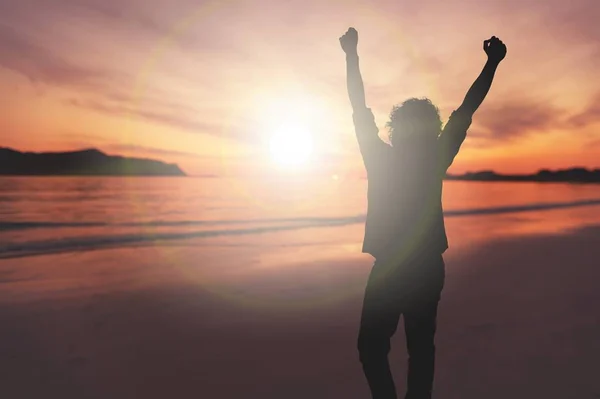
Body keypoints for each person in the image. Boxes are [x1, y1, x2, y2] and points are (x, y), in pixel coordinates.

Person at [339, 27, 506, 399]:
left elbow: (358, 104)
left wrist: (351, 55)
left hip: (392, 268)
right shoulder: (435, 156)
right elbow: (467, 109)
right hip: (427, 266)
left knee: (374, 348)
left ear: (395, 129)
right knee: (419, 348)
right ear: (433, 129)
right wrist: (492, 63)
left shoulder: (381, 157)